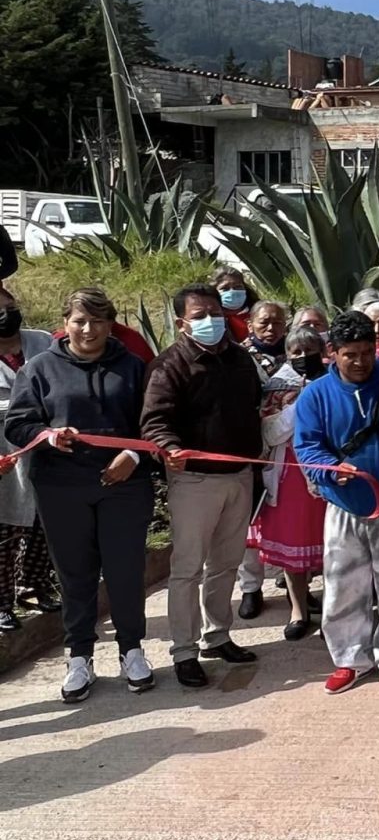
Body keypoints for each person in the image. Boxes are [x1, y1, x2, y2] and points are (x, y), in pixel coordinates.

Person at [3, 288, 155, 700]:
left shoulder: (134, 368)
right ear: (65, 323)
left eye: (98, 321)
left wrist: (133, 456)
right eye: (79, 321)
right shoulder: (37, 369)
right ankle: (79, 657)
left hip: (123, 486)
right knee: (75, 574)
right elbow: (17, 424)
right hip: (61, 486)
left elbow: (154, 424)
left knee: (125, 570)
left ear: (111, 324)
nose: (88, 329)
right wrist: (46, 435)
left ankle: (132, 651)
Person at [141, 282, 264, 688]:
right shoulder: (169, 365)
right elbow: (154, 421)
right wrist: (170, 447)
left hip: (239, 477)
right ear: (181, 323)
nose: (211, 321)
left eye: (215, 313)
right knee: (187, 569)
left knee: (226, 564)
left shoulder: (241, 359)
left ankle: (218, 634)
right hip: (194, 480)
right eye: (200, 316)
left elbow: (254, 407)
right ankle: (184, 650)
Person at [294, 311, 379, 695]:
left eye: (367, 352)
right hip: (344, 505)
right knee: (343, 584)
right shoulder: (314, 395)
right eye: (351, 354)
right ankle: (349, 658)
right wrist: (330, 468)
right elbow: (306, 445)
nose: (361, 362)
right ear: (333, 353)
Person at [248, 325, 326, 642]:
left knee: (332, 547)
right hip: (289, 474)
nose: (303, 357)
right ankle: (298, 610)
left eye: (310, 351)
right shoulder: (276, 386)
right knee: (294, 547)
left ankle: (333, 612)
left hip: (326, 471)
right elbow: (271, 433)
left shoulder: (335, 380)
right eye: (296, 351)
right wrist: (303, 402)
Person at [0, 289, 56, 631]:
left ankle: (35, 584)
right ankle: (2, 602)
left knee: (44, 525)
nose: (6, 315)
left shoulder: (42, 341)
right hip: (4, 455)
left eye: (10, 307)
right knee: (5, 531)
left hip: (46, 444)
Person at [212, 265, 256, 342]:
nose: (232, 292)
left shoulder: (259, 311)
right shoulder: (214, 320)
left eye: (237, 287)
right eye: (225, 288)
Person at [244, 300, 288, 376]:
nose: (271, 328)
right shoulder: (242, 355)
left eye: (277, 323)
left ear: (284, 326)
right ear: (250, 326)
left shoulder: (296, 348)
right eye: (264, 322)